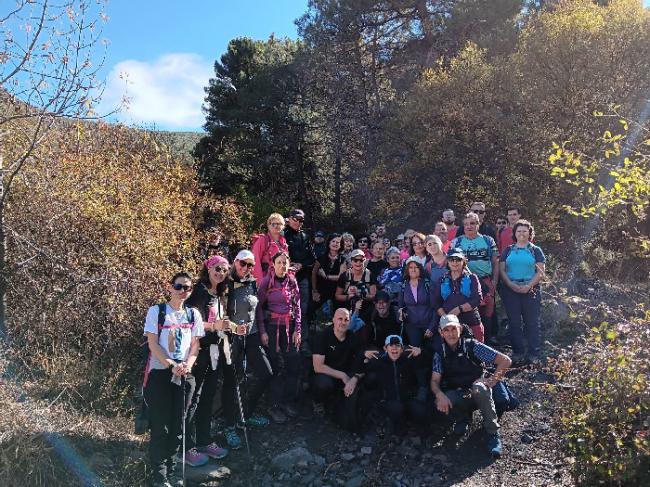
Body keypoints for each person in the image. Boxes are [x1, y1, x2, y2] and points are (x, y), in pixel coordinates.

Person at [143, 272, 204, 487]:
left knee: (179, 427)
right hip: (161, 374)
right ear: (170, 287)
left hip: (185, 375)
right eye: (178, 287)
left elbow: (196, 345)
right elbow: (153, 344)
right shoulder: (156, 312)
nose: (182, 291)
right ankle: (159, 477)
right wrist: (171, 364)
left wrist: (188, 364)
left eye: (187, 288)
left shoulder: (193, 314)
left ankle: (170, 470)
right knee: (161, 427)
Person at [431, 314, 512, 458]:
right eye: (447, 330)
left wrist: (492, 381)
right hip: (461, 391)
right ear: (441, 333)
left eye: (454, 329)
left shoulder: (472, 346)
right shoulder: (440, 353)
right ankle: (464, 417)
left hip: (480, 390)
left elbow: (505, 361)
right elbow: (434, 381)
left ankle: (492, 433)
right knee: (444, 398)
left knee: (483, 390)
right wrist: (439, 395)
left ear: (460, 329)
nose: (451, 333)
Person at [221, 249, 272, 448]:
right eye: (243, 264)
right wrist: (233, 327)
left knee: (265, 373)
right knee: (232, 381)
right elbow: (218, 314)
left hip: (251, 336)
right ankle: (229, 426)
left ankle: (246, 415)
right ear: (235, 262)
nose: (247, 268)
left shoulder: (252, 282)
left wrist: (261, 331)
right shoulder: (225, 284)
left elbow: (256, 309)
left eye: (251, 265)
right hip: (231, 338)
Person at [185, 257, 231, 466]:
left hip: (215, 352)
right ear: (208, 268)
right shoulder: (199, 292)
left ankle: (204, 440)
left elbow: (217, 322)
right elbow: (190, 321)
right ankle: (186, 447)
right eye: (217, 268)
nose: (220, 273)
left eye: (224, 270)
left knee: (207, 397)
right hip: (198, 352)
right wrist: (215, 326)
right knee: (192, 399)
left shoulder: (219, 293)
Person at [257, 252, 302, 423]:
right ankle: (273, 405)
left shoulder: (292, 281)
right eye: (279, 263)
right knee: (274, 366)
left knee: (293, 363)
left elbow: (297, 307)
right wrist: (262, 331)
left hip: (289, 327)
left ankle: (288, 401)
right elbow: (259, 307)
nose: (282, 266)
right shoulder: (267, 282)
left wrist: (298, 330)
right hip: (272, 326)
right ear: (273, 264)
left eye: (285, 263)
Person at [499, 220, 545, 365]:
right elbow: (502, 270)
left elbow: (540, 272)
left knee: (532, 322)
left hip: (531, 289)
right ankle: (518, 352)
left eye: (525, 231)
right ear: (514, 233)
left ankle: (533, 353)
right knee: (514, 322)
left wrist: (529, 286)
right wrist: (510, 284)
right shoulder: (508, 250)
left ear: (530, 233)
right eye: (519, 231)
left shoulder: (535, 250)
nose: (522, 233)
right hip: (511, 289)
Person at [312, 308, 365, 431]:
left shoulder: (354, 338)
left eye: (346, 319)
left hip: (346, 377)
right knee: (322, 384)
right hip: (326, 373)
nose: (343, 322)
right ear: (333, 320)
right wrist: (342, 375)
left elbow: (362, 364)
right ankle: (318, 402)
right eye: (340, 319)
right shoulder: (323, 336)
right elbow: (318, 366)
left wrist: (354, 379)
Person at [451, 212, 499, 342]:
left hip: (485, 279)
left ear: (479, 224)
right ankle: (468, 343)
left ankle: (488, 343)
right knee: (469, 312)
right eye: (466, 224)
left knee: (488, 313)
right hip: (465, 282)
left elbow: (495, 262)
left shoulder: (488, 240)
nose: (469, 226)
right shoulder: (457, 241)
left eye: (472, 223)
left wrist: (495, 280)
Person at [364, 335, 428, 433]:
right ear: (385, 348)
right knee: (396, 409)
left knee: (420, 411)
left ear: (402, 349)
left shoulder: (408, 361)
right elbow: (361, 369)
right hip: (387, 401)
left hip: (406, 399)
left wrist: (420, 353)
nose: (394, 348)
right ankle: (390, 423)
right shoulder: (378, 362)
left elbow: (423, 365)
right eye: (391, 345)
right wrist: (364, 356)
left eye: (398, 345)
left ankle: (412, 425)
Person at [398, 257, 437, 400]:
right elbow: (400, 306)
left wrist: (432, 327)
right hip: (412, 325)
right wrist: (399, 315)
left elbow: (435, 307)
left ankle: (436, 382)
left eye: (416, 267)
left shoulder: (427, 284)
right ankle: (422, 386)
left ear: (420, 270)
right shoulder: (403, 285)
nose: (413, 270)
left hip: (428, 323)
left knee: (432, 351)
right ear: (407, 270)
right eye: (410, 267)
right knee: (416, 353)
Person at [432, 248, 485, 342]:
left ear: (464, 261)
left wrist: (459, 309)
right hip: (450, 327)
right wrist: (446, 317)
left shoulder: (472, 278)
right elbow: (435, 302)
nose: (455, 262)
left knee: (476, 351)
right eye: (452, 259)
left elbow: (477, 299)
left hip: (471, 321)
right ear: (447, 261)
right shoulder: (441, 280)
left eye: (458, 259)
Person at [284, 209, 316, 353]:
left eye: (301, 220)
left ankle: (303, 342)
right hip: (285, 279)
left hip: (302, 278)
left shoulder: (304, 236)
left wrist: (301, 264)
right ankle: (286, 341)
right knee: (285, 310)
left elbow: (312, 257)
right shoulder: (282, 234)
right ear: (289, 219)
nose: (298, 222)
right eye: (295, 219)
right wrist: (289, 265)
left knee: (302, 310)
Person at [335, 248, 377, 325]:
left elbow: (373, 296)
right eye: (355, 260)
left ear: (364, 261)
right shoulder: (344, 276)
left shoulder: (370, 275)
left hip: (366, 310)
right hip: (347, 309)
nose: (358, 262)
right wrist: (349, 296)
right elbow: (337, 296)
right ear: (351, 261)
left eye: (361, 260)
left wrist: (361, 294)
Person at [311, 233, 346, 320]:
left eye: (338, 242)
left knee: (339, 312)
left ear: (341, 245)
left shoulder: (343, 259)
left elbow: (340, 277)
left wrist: (326, 276)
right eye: (333, 241)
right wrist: (314, 291)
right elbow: (314, 273)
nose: (335, 244)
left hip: (336, 290)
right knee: (310, 308)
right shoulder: (321, 257)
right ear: (329, 243)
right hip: (321, 288)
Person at [251, 213, 288, 282]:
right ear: (268, 226)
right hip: (266, 280)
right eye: (273, 224)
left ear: (283, 226)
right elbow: (255, 262)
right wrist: (260, 283)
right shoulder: (263, 240)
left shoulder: (283, 242)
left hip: (281, 281)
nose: (276, 226)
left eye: (279, 223)